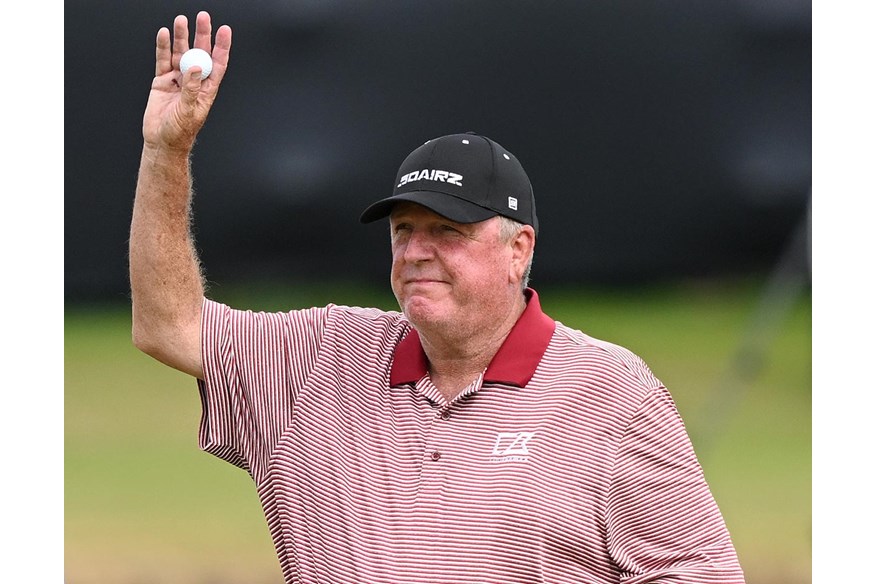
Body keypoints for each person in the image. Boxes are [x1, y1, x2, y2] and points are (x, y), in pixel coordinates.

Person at [129, 10, 746, 584]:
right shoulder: (316, 359)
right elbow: (168, 324)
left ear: (518, 250)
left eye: (448, 232)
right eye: (404, 231)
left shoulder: (612, 394)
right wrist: (167, 150)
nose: (417, 251)